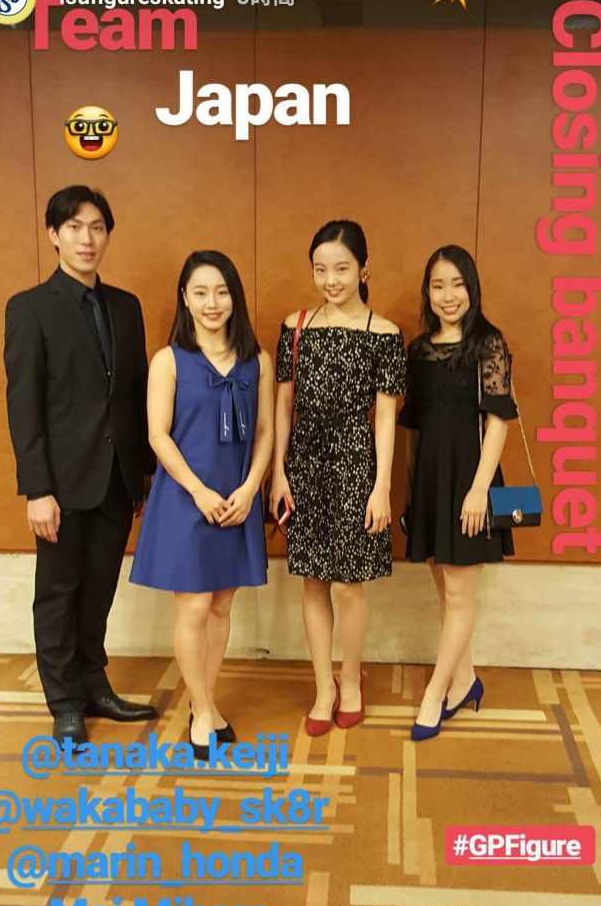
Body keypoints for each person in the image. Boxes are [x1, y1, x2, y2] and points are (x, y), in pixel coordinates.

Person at [4, 185, 158, 747]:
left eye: (96, 227)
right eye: (73, 227)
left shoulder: (125, 306)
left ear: (107, 234)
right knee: (59, 593)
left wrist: (141, 473)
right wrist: (37, 489)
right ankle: (65, 701)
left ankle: (94, 685)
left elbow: (135, 392)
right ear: (54, 234)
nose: (86, 238)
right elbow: (24, 405)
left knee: (98, 590)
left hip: (117, 479)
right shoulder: (30, 309)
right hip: (61, 485)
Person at [130, 251, 272, 760]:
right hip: (186, 497)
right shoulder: (168, 361)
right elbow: (158, 435)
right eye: (201, 292)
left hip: (237, 499)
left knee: (221, 606)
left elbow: (265, 432)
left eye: (222, 291)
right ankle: (204, 710)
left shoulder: (258, 361)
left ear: (235, 297)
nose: (212, 303)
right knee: (193, 607)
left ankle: (203, 703)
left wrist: (251, 488)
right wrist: (198, 490)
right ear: (184, 299)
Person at [271, 220, 405, 736]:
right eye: (321, 269)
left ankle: (350, 680)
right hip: (305, 462)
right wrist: (279, 472)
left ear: (364, 270)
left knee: (349, 585)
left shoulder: (384, 333)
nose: (330, 280)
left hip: (356, 462)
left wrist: (381, 486)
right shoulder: (296, 326)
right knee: (313, 581)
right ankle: (323, 686)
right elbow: (283, 404)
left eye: (342, 269)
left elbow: (387, 416)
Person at [399, 244, 518, 741]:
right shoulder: (418, 350)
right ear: (427, 292)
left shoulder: (488, 344)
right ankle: (466, 680)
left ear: (472, 288)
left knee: (460, 595)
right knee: (445, 592)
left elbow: (499, 422)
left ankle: (436, 694)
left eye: (457, 284)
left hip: (471, 480)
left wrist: (479, 490)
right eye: (438, 285)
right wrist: (412, 494)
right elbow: (413, 426)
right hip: (431, 481)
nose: (448, 295)